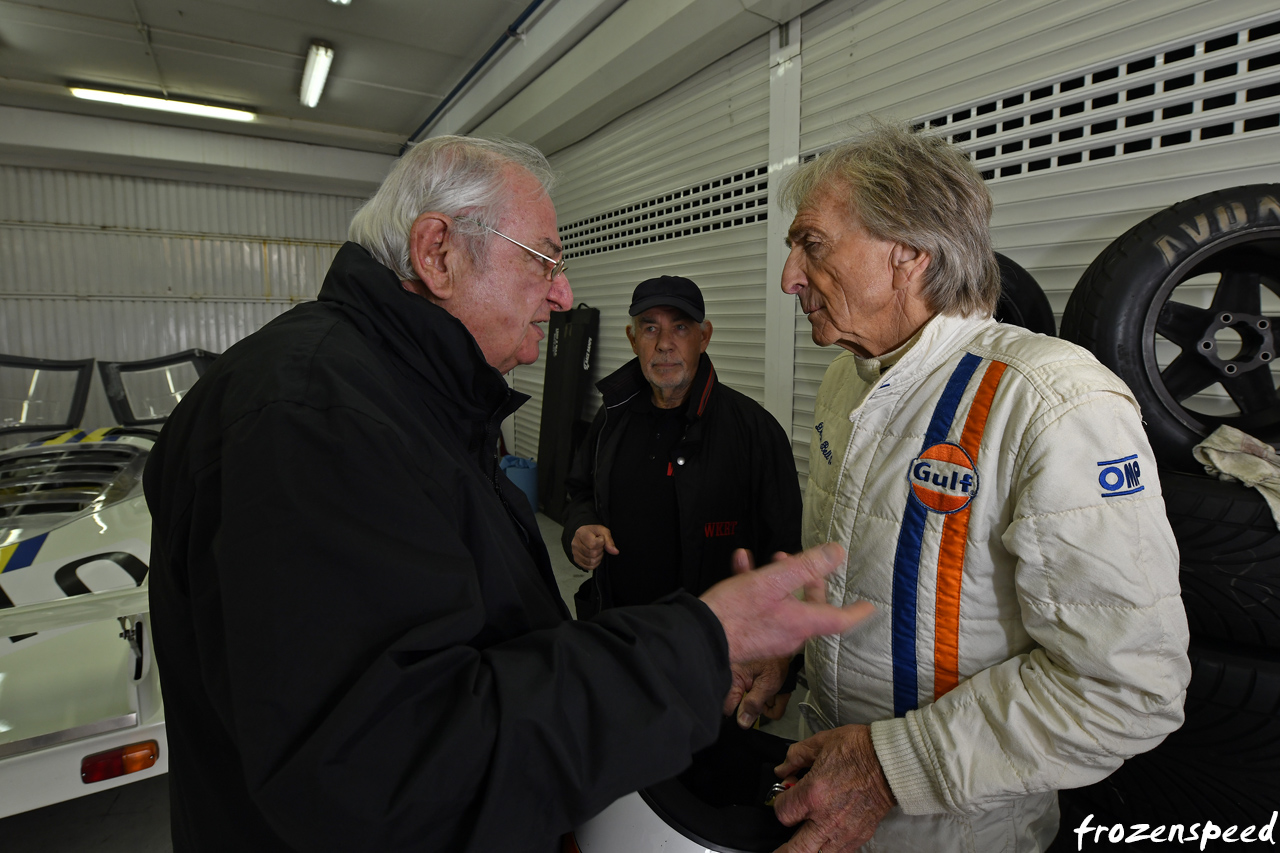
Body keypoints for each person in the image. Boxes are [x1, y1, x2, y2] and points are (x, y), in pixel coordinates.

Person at [143, 135, 872, 853]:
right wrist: (695, 646)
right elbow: (393, 765)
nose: (563, 293)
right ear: (438, 253)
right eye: (545, 260)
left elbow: (482, 645)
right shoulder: (313, 425)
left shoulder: (405, 398)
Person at [764, 122, 1192, 853]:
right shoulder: (849, 377)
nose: (790, 279)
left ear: (907, 255)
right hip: (829, 793)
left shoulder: (1053, 398)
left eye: (811, 243)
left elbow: (1129, 689)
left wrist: (890, 768)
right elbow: (864, 565)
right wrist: (792, 643)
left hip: (959, 832)